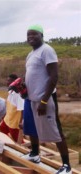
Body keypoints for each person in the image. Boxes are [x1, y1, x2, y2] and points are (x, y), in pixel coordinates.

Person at [23, 24, 71, 174]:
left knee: (56, 131)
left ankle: (66, 166)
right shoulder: (31, 54)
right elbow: (34, 76)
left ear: (42, 35)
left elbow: (54, 76)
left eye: (34, 34)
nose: (31, 37)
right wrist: (24, 88)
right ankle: (35, 155)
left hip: (46, 99)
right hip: (33, 99)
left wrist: (44, 100)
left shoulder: (47, 50)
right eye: (28, 35)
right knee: (36, 128)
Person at [0, 73, 24, 143]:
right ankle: (7, 142)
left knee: (16, 137)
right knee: (2, 128)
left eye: (9, 81)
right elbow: (9, 106)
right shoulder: (10, 91)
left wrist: (21, 122)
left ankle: (26, 149)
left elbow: (22, 109)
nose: (7, 82)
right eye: (7, 80)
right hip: (8, 117)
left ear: (14, 82)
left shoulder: (18, 96)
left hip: (14, 120)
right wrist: (5, 115)